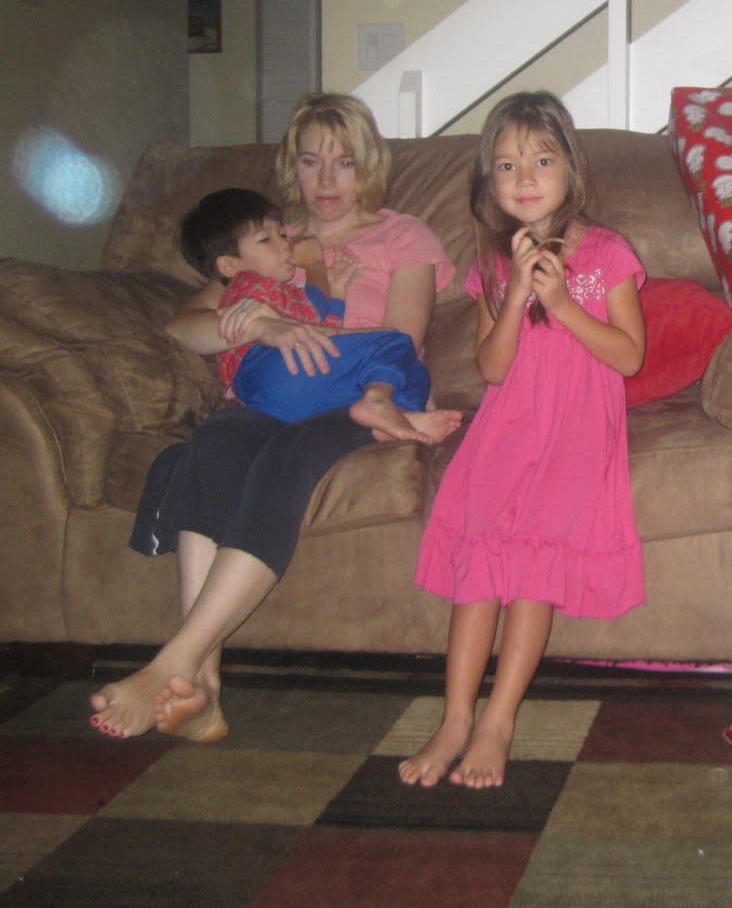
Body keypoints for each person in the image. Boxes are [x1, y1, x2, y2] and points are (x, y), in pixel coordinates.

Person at [89, 93, 460, 743]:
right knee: (212, 445)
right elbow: (182, 327)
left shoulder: (404, 237)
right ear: (292, 165)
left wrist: (312, 322)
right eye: (311, 161)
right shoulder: (268, 237)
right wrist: (258, 323)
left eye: (344, 163)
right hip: (267, 397)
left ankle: (175, 662)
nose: (326, 180)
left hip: (352, 394)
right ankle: (204, 689)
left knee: (288, 458)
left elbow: (401, 338)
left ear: (369, 165)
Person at [400, 91, 646, 789]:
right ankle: (455, 718)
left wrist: (561, 303)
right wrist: (512, 297)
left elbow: (629, 357)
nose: (526, 178)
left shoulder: (607, 252)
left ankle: (498, 722)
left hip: (575, 430)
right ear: (490, 182)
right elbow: (492, 367)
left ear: (571, 168)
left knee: (533, 564)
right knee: (480, 560)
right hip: (506, 426)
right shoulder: (492, 260)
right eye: (507, 166)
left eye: (541, 161)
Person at [175, 186, 454, 442]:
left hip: (280, 398)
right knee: (397, 345)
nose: (284, 244)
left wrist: (339, 292)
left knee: (412, 370)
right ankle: (384, 404)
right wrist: (314, 266)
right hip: (280, 368)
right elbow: (312, 309)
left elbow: (319, 325)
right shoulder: (254, 283)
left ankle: (385, 419)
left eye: (282, 235)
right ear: (228, 265)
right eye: (267, 239)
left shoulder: (251, 277)